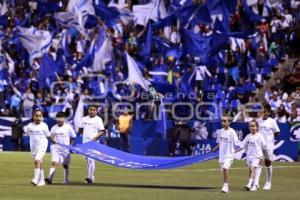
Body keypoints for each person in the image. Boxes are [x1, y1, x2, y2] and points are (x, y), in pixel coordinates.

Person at [45, 112, 76, 185]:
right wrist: (53, 142)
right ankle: (50, 178)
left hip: (65, 149)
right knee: (54, 162)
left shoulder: (68, 127)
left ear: (64, 119)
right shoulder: (53, 128)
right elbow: (50, 136)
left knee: (65, 165)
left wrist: (70, 145)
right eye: (58, 118)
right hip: (55, 148)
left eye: (61, 118)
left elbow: (73, 136)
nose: (59, 119)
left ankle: (66, 180)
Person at [236, 120, 267, 191]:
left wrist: (263, 156)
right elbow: (242, 146)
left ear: (257, 127)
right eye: (250, 126)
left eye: (253, 126)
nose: (251, 128)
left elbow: (264, 147)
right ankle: (255, 184)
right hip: (249, 157)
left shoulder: (259, 136)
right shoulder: (248, 136)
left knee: (253, 169)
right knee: (251, 171)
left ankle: (249, 184)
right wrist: (234, 152)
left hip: (257, 157)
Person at [78, 105, 105, 184]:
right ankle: (91, 176)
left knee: (90, 159)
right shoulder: (84, 119)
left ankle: (89, 178)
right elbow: (80, 129)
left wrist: (95, 137)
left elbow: (102, 131)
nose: (92, 111)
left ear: (96, 111)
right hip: (85, 143)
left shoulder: (98, 119)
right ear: (88, 110)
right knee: (87, 160)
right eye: (90, 109)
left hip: (93, 143)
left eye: (93, 110)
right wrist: (84, 135)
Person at [212, 116, 240, 193]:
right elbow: (219, 143)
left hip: (229, 155)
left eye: (225, 121)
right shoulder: (220, 131)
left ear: (229, 122)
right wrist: (214, 149)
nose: (223, 123)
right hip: (221, 156)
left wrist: (234, 152)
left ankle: (225, 186)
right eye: (222, 121)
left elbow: (237, 144)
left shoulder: (232, 132)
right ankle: (225, 185)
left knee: (225, 168)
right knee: (223, 170)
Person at [25, 109, 53, 186]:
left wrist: (53, 141)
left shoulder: (44, 126)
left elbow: (48, 136)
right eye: (36, 116)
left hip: (42, 145)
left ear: (42, 117)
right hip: (34, 146)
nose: (38, 117)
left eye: (40, 116)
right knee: (38, 162)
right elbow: (28, 135)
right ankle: (42, 181)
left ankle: (35, 179)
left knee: (37, 160)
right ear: (33, 117)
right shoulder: (30, 126)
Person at [257, 103, 280, 190]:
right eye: (263, 110)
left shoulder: (272, 121)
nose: (263, 112)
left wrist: (270, 138)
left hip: (268, 145)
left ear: (268, 112)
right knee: (258, 162)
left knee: (267, 162)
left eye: (265, 111)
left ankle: (268, 182)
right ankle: (256, 183)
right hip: (259, 145)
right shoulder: (258, 121)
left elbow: (277, 132)